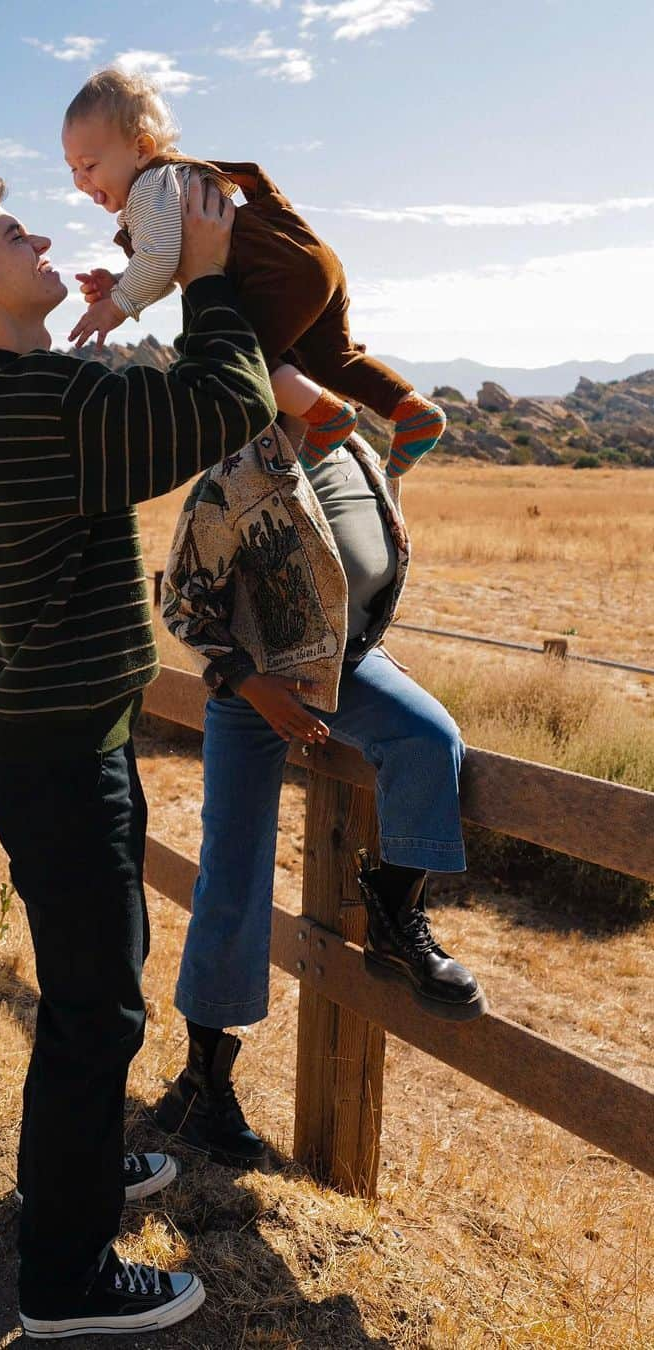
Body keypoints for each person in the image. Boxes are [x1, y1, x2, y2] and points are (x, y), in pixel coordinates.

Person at [0, 169, 276, 1338]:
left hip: (62, 742)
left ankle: (75, 1176)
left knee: (94, 985)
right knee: (95, 1011)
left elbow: (148, 407)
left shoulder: (21, 386)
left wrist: (140, 299)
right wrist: (203, 276)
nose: (46, 234)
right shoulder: (35, 399)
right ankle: (66, 1282)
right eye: (16, 233)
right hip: (62, 760)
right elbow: (228, 402)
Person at [155, 415, 486, 1166]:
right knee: (233, 875)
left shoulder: (361, 450)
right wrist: (255, 687)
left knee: (432, 741)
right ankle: (202, 1087)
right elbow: (180, 601)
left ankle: (396, 919)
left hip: (351, 668)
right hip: (251, 691)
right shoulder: (237, 472)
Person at [61, 66, 445, 478]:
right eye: (73, 170)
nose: (82, 181)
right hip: (309, 261)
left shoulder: (149, 186)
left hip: (273, 278)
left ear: (141, 148)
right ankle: (412, 411)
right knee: (333, 358)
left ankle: (327, 416)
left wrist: (117, 305)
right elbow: (169, 262)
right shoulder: (173, 181)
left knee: (244, 361)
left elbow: (158, 259)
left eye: (90, 165)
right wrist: (121, 281)